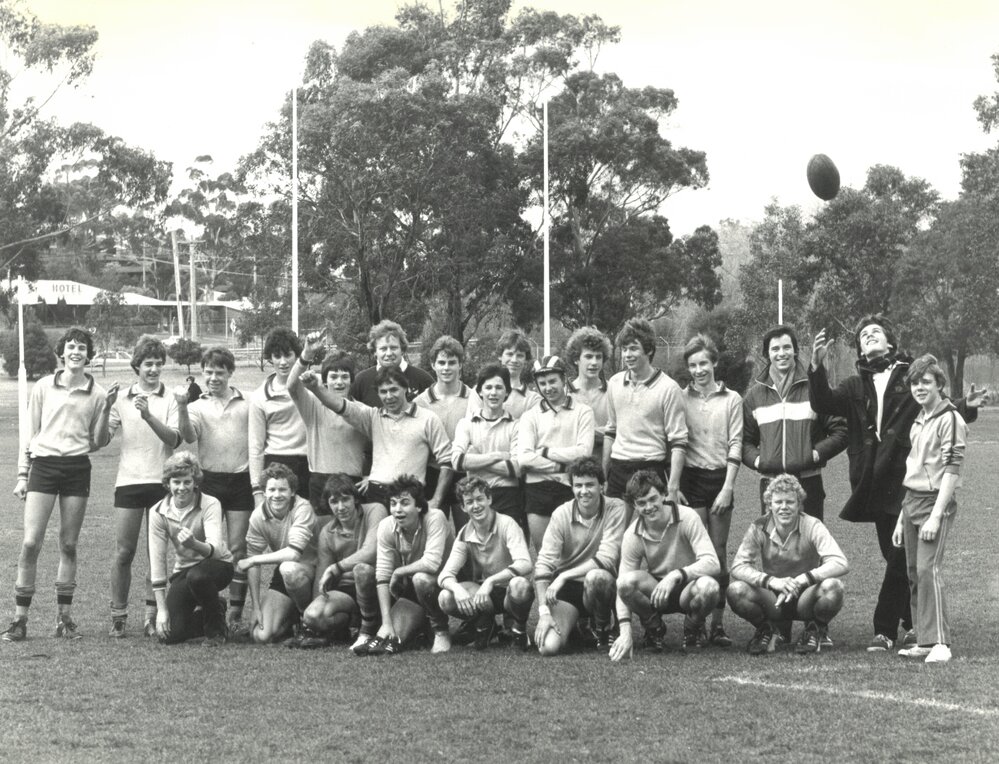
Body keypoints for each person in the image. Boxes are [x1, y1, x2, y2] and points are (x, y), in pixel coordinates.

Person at [809, 315, 980, 652]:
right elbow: (823, 402)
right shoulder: (853, 385)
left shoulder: (909, 375)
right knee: (897, 555)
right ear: (860, 348)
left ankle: (884, 629)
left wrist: (965, 408)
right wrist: (816, 368)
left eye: (876, 332)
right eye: (863, 336)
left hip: (907, 479)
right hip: (871, 480)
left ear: (890, 342)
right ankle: (915, 623)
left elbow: (931, 402)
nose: (869, 336)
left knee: (900, 556)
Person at [2, 327, 111, 642]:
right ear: (62, 352)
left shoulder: (100, 393)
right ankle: (20, 620)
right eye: (71, 347)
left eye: (82, 347)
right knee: (30, 543)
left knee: (69, 545)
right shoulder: (43, 387)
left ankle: (64, 619)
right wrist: (23, 474)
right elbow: (29, 433)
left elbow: (100, 442)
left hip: (77, 468)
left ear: (89, 355)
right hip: (44, 467)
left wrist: (106, 408)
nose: (76, 352)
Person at [95, 335, 181, 639]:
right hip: (129, 482)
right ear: (137, 366)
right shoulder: (122, 397)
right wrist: (106, 407)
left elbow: (173, 439)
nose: (154, 369)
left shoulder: (169, 397)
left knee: (155, 552)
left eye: (158, 363)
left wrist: (148, 415)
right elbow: (100, 440)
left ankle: (150, 614)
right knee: (124, 552)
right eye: (148, 364)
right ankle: (118, 615)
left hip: (161, 483)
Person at [299, 344, 453, 511]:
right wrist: (316, 388)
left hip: (411, 496)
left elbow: (447, 461)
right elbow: (339, 405)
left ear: (406, 388)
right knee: (376, 536)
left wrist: (437, 499)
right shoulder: (372, 417)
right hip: (376, 497)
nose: (389, 396)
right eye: (383, 392)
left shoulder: (428, 419)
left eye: (394, 389)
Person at [891, 355, 967, 664]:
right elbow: (913, 471)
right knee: (913, 573)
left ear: (939, 384)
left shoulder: (950, 418)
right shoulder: (920, 418)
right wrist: (901, 517)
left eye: (925, 381)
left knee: (928, 569)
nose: (919, 387)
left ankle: (940, 643)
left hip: (935, 502)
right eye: (914, 382)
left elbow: (953, 467)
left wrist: (936, 514)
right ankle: (924, 639)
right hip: (911, 502)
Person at [728, 474, 849, 655]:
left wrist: (802, 579)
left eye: (790, 502)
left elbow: (840, 562)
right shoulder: (759, 526)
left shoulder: (812, 525)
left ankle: (815, 629)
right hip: (773, 597)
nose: (784, 507)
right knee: (735, 590)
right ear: (769, 505)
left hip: (805, 596)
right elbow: (738, 566)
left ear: (799, 504)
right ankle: (767, 629)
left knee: (834, 588)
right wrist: (771, 581)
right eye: (778, 502)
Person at [178, 345, 254, 635]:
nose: (213, 378)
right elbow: (188, 436)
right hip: (208, 482)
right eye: (208, 372)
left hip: (240, 480)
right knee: (207, 547)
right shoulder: (196, 407)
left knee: (237, 547)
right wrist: (183, 407)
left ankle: (235, 611)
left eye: (219, 372)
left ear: (230, 373)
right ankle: (209, 606)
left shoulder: (247, 404)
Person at [609, 470, 720, 660]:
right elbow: (621, 590)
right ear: (634, 505)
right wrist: (625, 631)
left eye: (653, 499)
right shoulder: (632, 534)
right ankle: (654, 628)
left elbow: (712, 563)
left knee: (709, 587)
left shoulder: (688, 516)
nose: (649, 507)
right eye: (641, 503)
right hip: (657, 592)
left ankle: (693, 628)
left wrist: (677, 574)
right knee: (625, 583)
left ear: (663, 494)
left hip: (688, 586)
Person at [743, 325, 847, 520]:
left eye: (786, 347)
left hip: (808, 483)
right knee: (774, 545)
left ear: (795, 350)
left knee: (808, 545)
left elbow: (841, 430)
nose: (781, 353)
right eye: (775, 349)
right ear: (767, 354)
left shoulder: (814, 389)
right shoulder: (754, 396)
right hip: (771, 485)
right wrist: (758, 460)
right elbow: (744, 440)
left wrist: (815, 454)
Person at [679, 333, 743, 647]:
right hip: (690, 479)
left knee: (718, 553)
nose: (699, 369)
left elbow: (736, 444)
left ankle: (717, 624)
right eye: (693, 364)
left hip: (719, 478)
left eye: (704, 362)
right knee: (696, 553)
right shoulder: (680, 397)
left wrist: (728, 487)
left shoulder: (732, 399)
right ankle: (697, 621)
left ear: (714, 362)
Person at [533, 457, 626, 656]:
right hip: (569, 591)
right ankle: (577, 624)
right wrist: (543, 613)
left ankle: (601, 627)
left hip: (602, 586)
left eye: (590, 485)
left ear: (602, 486)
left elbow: (607, 558)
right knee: (548, 647)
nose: (584, 491)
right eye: (578, 486)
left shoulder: (616, 508)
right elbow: (543, 564)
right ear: (571, 487)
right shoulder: (561, 514)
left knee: (597, 577)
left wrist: (563, 576)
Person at [353, 475, 454, 656]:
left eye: (405, 503)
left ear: (419, 506)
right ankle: (372, 629)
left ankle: (441, 630)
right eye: (393, 503)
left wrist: (399, 572)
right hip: (409, 587)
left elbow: (432, 563)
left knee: (421, 579)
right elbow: (383, 574)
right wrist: (386, 623)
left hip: (441, 584)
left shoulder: (435, 517)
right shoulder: (386, 525)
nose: (397, 509)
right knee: (392, 638)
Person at [438, 477, 534, 650]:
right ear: (463, 507)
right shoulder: (464, 533)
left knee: (519, 585)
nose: (475, 506)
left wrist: (491, 581)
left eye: (479, 499)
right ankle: (486, 625)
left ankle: (518, 629)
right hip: (485, 595)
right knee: (445, 597)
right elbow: (445, 575)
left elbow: (526, 564)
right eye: (469, 502)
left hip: (509, 591)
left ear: (489, 499)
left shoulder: (507, 524)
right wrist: (458, 589)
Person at [147, 453, 234, 646]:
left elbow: (217, 550)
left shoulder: (210, 503)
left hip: (218, 566)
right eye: (176, 482)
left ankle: (216, 632)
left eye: (187, 482)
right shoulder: (157, 511)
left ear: (195, 482)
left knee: (199, 576)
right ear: (167, 484)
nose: (181, 488)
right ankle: (213, 608)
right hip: (185, 572)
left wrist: (194, 544)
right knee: (169, 636)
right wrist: (161, 611)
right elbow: (157, 561)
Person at [603, 318, 687, 506]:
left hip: (650, 471)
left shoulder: (669, 388)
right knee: (615, 533)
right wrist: (604, 474)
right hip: (618, 470)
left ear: (648, 350)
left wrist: (673, 488)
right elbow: (611, 430)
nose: (627, 355)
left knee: (652, 532)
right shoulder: (615, 383)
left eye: (633, 348)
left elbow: (679, 441)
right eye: (624, 349)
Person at [299, 474, 387, 649]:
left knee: (361, 570)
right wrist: (313, 623)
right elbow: (322, 576)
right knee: (313, 615)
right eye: (334, 502)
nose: (341, 507)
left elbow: (371, 551)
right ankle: (344, 627)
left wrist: (337, 567)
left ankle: (369, 626)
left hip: (376, 585)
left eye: (345, 499)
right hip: (347, 592)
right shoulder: (327, 532)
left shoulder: (375, 510)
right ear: (329, 504)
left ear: (355, 499)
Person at [517, 356, 595, 549]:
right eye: (542, 383)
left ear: (564, 379)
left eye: (552, 381)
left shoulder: (583, 412)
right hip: (537, 489)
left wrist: (543, 451)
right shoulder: (530, 417)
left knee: (571, 550)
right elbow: (524, 457)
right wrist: (561, 466)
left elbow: (584, 452)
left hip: (571, 487)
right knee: (544, 551)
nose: (548, 388)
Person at [236, 463, 319, 644]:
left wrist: (254, 560)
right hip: (285, 573)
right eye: (271, 489)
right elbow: (253, 562)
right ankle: (290, 622)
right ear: (264, 492)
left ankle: (307, 621)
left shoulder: (303, 508)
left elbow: (294, 554)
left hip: (313, 572)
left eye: (282, 489)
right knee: (261, 635)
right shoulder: (258, 516)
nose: (277, 495)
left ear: (292, 492)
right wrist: (256, 607)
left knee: (289, 569)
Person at [288, 336, 368, 518]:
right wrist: (306, 355)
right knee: (322, 538)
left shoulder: (363, 410)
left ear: (352, 380)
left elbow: (384, 443)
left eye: (344, 377)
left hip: (352, 482)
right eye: (333, 377)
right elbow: (292, 386)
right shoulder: (313, 406)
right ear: (324, 381)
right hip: (320, 481)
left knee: (351, 538)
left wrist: (372, 476)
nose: (339, 382)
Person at [415, 335, 481, 526]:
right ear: (433, 364)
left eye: (452, 362)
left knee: (469, 532)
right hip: (433, 473)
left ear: (460, 364)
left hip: (464, 473)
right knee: (435, 532)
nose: (446, 368)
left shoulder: (475, 399)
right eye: (441, 362)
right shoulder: (420, 402)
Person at [452, 364, 523, 528]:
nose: (493, 393)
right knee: (479, 549)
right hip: (475, 494)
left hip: (507, 495)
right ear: (479, 391)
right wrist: (497, 456)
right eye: (488, 387)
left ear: (507, 392)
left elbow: (517, 469)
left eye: (499, 387)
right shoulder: (466, 424)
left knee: (508, 547)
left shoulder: (516, 426)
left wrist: (475, 459)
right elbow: (457, 462)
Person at [248, 328, 309, 503]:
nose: (283, 362)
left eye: (288, 355)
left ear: (297, 356)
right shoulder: (259, 397)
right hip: (275, 464)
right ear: (270, 358)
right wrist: (257, 490)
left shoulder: (311, 388)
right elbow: (255, 446)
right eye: (277, 356)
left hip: (308, 464)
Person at [349, 320, 433, 407]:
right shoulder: (361, 381)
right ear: (374, 352)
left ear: (402, 350)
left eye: (393, 348)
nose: (389, 353)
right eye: (383, 349)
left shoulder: (423, 380)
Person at [565, 326, 613, 465]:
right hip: (574, 470)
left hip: (606, 468)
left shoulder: (613, 391)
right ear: (576, 359)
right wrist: (602, 433)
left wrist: (584, 433)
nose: (594, 362)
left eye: (598, 357)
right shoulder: (565, 393)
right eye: (588, 356)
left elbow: (619, 431)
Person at [495, 329, 541, 419]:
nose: (514, 360)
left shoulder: (533, 400)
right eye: (509, 354)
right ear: (500, 356)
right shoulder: (481, 391)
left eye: (520, 355)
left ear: (525, 359)